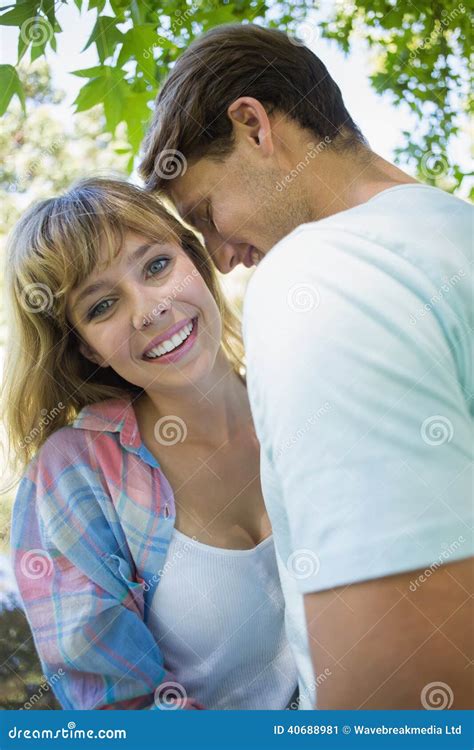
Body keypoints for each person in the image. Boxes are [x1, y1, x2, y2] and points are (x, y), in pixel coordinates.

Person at [139, 23, 474, 709]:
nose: (222, 257)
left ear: (254, 126)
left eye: (206, 213)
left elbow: (402, 695)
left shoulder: (320, 276)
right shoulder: (452, 232)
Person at [2, 178, 298, 710]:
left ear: (194, 261)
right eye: (102, 305)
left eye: (156, 266)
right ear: (86, 349)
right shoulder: (74, 473)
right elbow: (120, 718)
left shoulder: (303, 393)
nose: (148, 309)